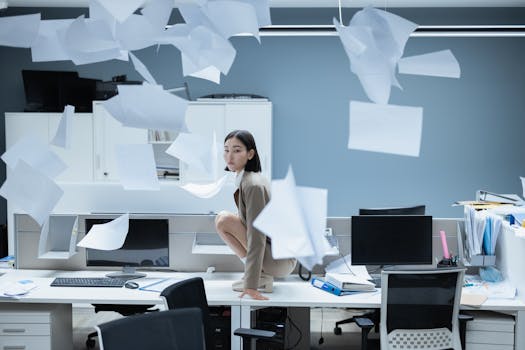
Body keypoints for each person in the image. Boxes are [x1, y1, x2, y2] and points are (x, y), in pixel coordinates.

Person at [215, 130, 296, 300]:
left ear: (250, 154)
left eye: (237, 150)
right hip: (275, 255)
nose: (230, 156)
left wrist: (250, 287)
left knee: (224, 220)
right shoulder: (246, 179)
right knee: (222, 219)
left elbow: (256, 235)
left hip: (279, 260)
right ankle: (260, 276)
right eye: (226, 150)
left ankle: (257, 278)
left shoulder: (253, 185)